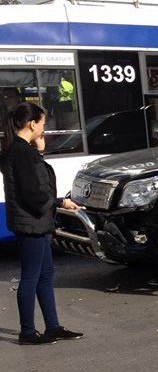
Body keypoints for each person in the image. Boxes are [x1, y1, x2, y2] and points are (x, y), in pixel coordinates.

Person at [0, 102, 84, 345]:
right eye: (43, 124)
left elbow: (36, 183)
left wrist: (40, 152)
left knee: (45, 275)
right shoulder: (21, 152)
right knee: (31, 277)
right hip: (32, 223)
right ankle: (27, 332)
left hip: (37, 222)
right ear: (32, 123)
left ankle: (53, 326)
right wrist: (59, 203)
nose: (44, 129)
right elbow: (34, 193)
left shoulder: (21, 150)